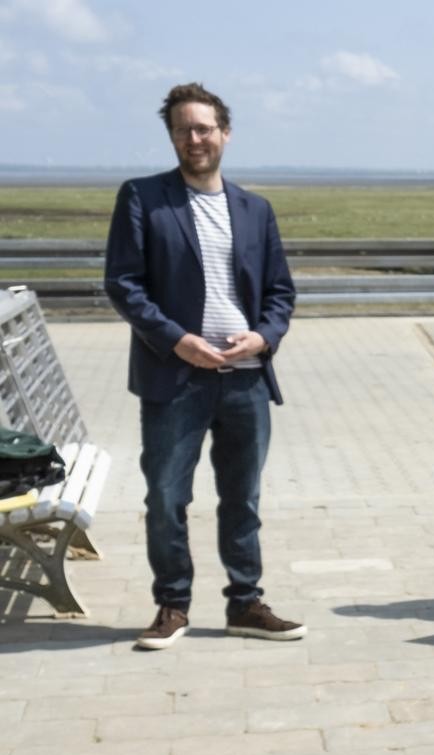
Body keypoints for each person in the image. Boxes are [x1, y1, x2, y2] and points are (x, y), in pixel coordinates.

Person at [105, 82, 304, 650]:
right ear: (172, 137)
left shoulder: (255, 209)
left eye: (203, 128)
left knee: (242, 498)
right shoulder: (143, 198)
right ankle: (172, 605)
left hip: (245, 381)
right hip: (176, 379)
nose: (194, 138)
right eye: (182, 130)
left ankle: (245, 603)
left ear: (225, 133)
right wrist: (176, 341)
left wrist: (262, 339)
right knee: (166, 497)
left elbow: (280, 294)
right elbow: (123, 283)